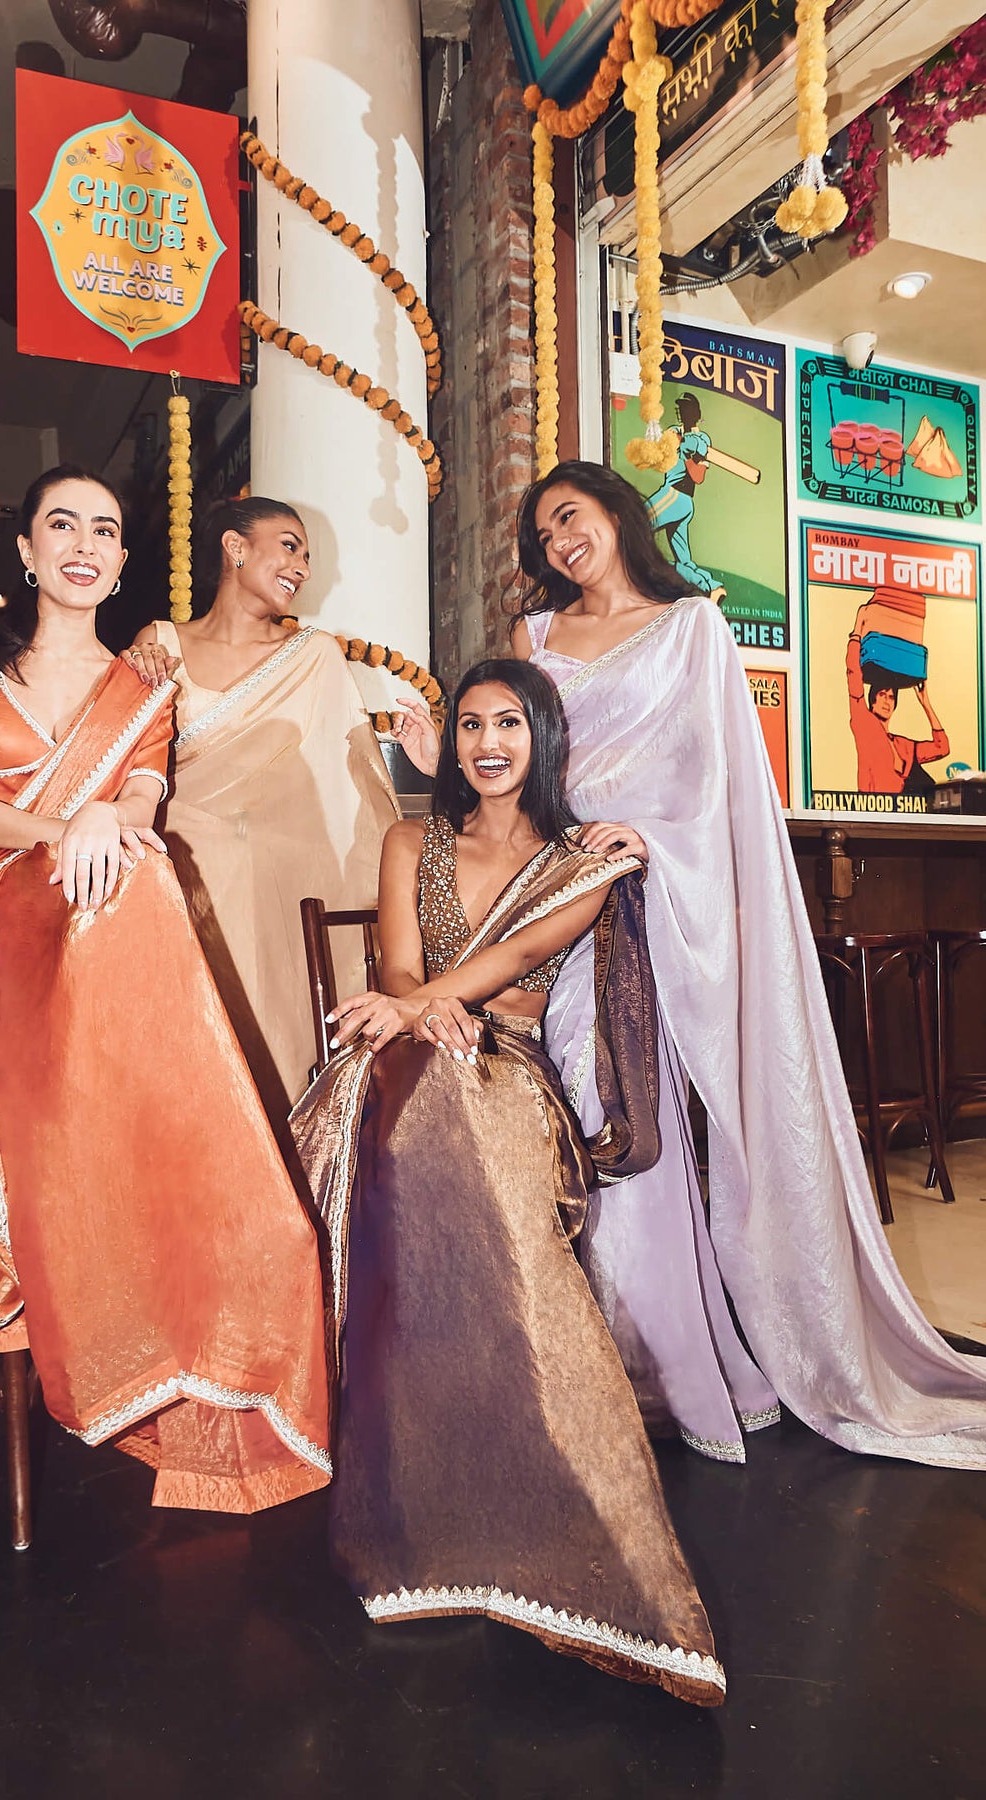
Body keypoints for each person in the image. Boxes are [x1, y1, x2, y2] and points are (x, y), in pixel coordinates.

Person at [394, 460, 986, 1472]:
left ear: (617, 513)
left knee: (620, 1112)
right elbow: (516, 765)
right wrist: (432, 763)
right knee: (557, 1107)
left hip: (635, 897)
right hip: (541, 885)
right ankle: (551, 1349)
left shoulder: (693, 629)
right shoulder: (535, 639)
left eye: (570, 517)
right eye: (542, 534)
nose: (558, 542)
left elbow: (714, 785)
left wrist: (651, 839)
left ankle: (649, 1366)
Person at [0, 465, 330, 1512]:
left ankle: (214, 1230)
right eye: (63, 525)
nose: (84, 544)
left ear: (123, 563)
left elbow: (142, 808)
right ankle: (101, 1214)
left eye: (106, 531)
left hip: (93, 903)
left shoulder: (144, 686)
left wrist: (103, 828)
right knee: (126, 883)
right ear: (27, 551)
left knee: (138, 879)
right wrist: (68, 827)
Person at [291, 659, 726, 1708]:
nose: (488, 743)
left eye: (509, 724)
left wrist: (435, 1006)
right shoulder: (411, 840)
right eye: (472, 725)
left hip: (511, 1069)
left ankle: (577, 1527)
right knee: (415, 1093)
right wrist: (418, 1008)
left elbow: (529, 947)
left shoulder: (577, 863)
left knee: (454, 1107)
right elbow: (398, 966)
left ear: (542, 737)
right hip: (405, 1053)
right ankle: (417, 1500)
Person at [124, 497, 400, 1130]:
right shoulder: (159, 644)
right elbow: (125, 761)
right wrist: (129, 679)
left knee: (278, 1057)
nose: (302, 567)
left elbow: (355, 780)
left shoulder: (312, 655)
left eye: (308, 556)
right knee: (187, 1055)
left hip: (281, 888)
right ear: (235, 547)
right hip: (184, 882)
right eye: (289, 546)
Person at [846, 602, 948, 794]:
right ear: (872, 700)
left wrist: (925, 703)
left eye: (891, 697)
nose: (887, 701)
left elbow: (941, 748)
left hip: (904, 811)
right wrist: (857, 630)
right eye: (882, 695)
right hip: (871, 810)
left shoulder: (904, 746)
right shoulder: (864, 725)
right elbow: (853, 674)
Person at [643, 392, 724, 601]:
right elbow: (662, 450)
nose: (680, 411)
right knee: (684, 561)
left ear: (695, 413)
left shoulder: (701, 439)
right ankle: (711, 587)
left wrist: (687, 452)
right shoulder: (674, 431)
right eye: (679, 407)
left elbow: (698, 477)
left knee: (635, 526)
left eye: (685, 408)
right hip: (678, 500)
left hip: (676, 496)